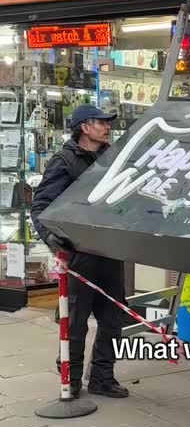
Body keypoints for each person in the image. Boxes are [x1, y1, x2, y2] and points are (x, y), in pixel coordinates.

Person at [30, 105, 129, 400]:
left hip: (109, 250)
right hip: (79, 255)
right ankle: (69, 378)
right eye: (101, 122)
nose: (107, 127)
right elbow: (41, 206)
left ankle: (102, 377)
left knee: (113, 318)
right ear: (84, 127)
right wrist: (51, 238)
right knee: (75, 322)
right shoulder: (65, 161)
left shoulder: (111, 158)